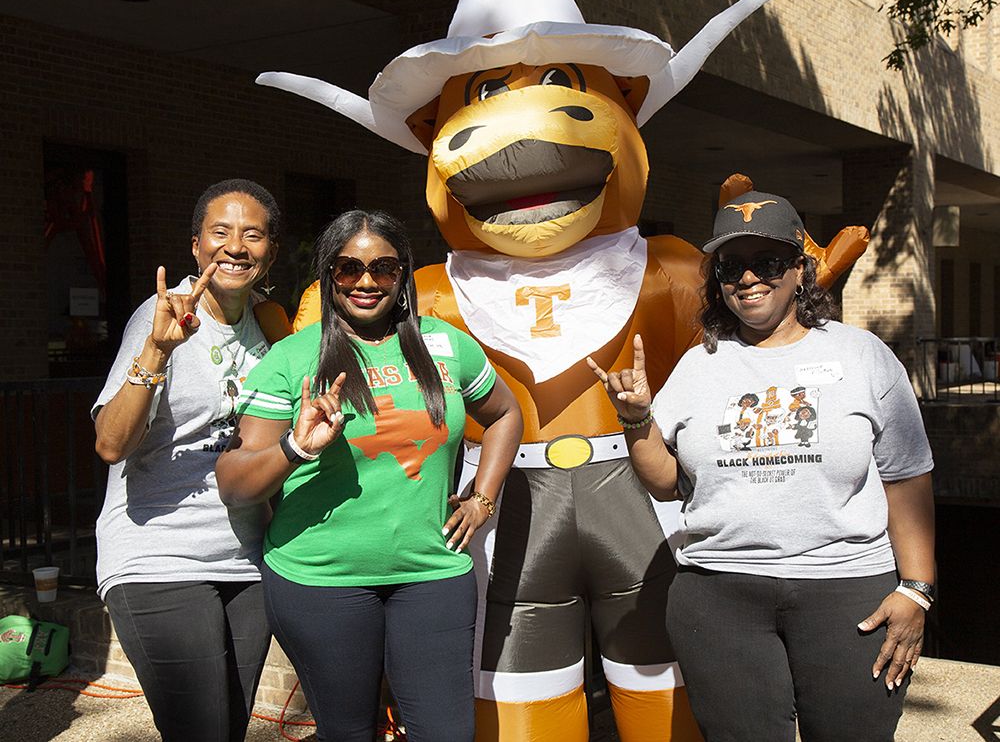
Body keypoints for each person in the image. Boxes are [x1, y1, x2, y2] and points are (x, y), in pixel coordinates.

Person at [588, 190, 935, 742]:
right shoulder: (698, 365)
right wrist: (636, 421)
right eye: (730, 266)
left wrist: (917, 589)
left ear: (801, 269)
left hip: (846, 592)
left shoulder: (862, 355)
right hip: (720, 597)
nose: (747, 278)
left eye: (768, 262)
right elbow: (667, 482)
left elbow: (908, 476)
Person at [215, 209, 523, 742]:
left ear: (403, 274)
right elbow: (234, 483)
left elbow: (504, 414)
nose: (365, 282)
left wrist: (482, 499)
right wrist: (295, 446)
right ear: (326, 274)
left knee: (446, 732)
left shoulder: (445, 344)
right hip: (320, 582)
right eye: (347, 268)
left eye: (382, 268)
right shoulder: (290, 360)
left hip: (433, 573)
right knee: (350, 732)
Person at [93, 178, 281, 742]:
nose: (236, 246)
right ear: (196, 246)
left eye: (253, 234)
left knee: (227, 728)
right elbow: (110, 444)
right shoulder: (160, 315)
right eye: (220, 232)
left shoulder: (270, 326)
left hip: (248, 560)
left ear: (270, 251)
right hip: (159, 555)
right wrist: (157, 350)